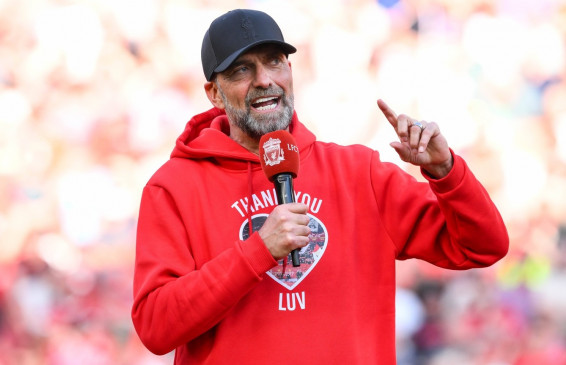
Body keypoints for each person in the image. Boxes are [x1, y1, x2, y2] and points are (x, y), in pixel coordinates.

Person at [131, 9, 509, 365]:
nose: (264, 79)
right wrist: (257, 252)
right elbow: (156, 327)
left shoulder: (359, 172)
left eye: (274, 62)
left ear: (290, 70)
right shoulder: (173, 187)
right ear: (214, 93)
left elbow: (483, 247)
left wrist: (446, 172)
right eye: (242, 69)